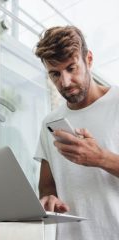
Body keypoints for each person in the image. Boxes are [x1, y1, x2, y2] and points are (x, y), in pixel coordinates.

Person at [34, 26, 119, 240]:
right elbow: (46, 186)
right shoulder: (49, 123)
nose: (64, 82)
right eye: (55, 74)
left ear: (88, 59)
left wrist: (101, 158)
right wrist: (48, 198)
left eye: (72, 68)